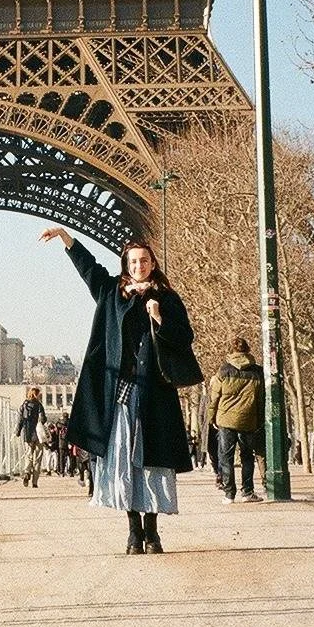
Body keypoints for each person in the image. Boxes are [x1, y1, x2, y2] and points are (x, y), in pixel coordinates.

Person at [41, 226, 198, 555]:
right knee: (123, 460)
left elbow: (185, 338)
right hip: (120, 393)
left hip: (154, 393)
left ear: (152, 263)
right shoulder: (112, 292)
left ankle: (152, 531)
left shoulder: (167, 298)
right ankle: (132, 530)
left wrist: (159, 320)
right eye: (133, 261)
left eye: (144, 260)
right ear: (126, 264)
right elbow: (89, 269)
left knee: (152, 462)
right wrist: (66, 237)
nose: (139, 265)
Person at [207, 336, 265, 504]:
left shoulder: (223, 371)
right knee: (247, 456)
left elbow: (215, 397)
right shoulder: (257, 372)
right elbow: (261, 399)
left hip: (225, 419)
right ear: (247, 350)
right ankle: (247, 492)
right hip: (248, 418)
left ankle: (229, 494)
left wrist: (212, 418)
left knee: (226, 457)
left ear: (230, 351)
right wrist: (259, 419)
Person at [15, 385, 47, 488]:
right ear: (37, 394)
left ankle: (27, 472)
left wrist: (18, 431)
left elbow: (19, 420)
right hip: (38, 434)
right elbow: (43, 419)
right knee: (37, 457)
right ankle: (34, 482)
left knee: (29, 455)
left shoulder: (23, 405)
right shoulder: (39, 405)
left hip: (27, 434)